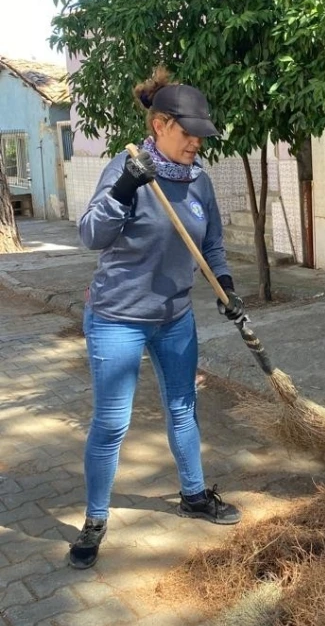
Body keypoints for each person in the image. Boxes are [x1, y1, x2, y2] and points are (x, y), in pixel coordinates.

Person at [71, 67, 248, 570]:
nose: (196, 143)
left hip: (174, 317)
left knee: (183, 408)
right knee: (111, 424)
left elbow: (210, 243)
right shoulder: (125, 169)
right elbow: (91, 236)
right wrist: (125, 188)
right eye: (188, 133)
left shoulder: (199, 181)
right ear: (161, 126)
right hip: (117, 318)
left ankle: (193, 496)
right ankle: (95, 520)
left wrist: (225, 286)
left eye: (200, 135)